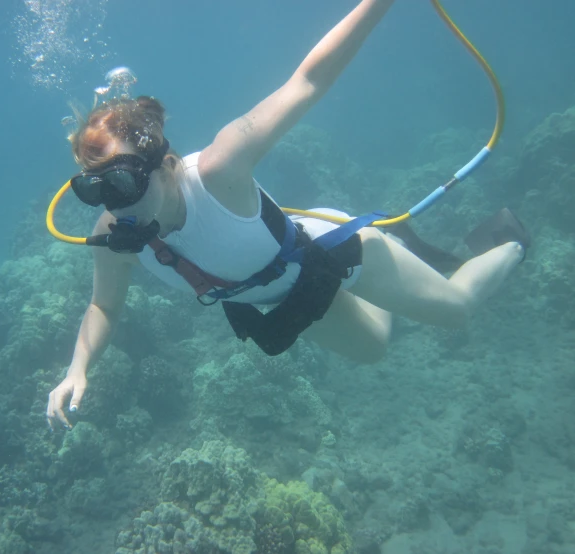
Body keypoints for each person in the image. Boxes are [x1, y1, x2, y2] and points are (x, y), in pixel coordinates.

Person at [46, 0, 528, 431]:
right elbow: (103, 306)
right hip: (292, 289)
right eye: (95, 189)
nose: (115, 203)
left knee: (457, 311)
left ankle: (511, 239)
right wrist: (78, 367)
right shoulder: (114, 234)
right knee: (374, 349)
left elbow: (309, 79)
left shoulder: (219, 169)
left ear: (167, 165)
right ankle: (402, 244)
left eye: (124, 181)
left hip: (332, 249)